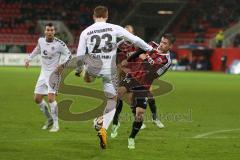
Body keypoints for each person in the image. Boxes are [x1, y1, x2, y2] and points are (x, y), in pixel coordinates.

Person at [75, 6, 153, 149]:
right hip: (109, 70)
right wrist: (149, 49)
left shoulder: (86, 32)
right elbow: (134, 39)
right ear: (107, 15)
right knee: (112, 100)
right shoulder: (114, 28)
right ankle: (103, 126)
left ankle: (87, 71)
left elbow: (80, 53)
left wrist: (79, 68)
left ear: (94, 15)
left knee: (87, 77)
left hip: (94, 67)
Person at [117, 33, 175, 149]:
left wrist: (146, 60)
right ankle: (105, 120)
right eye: (162, 41)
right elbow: (139, 52)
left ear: (171, 46)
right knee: (117, 94)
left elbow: (154, 75)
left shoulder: (166, 60)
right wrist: (128, 60)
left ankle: (132, 137)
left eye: (165, 43)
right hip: (132, 76)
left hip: (144, 83)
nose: (161, 45)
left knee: (140, 114)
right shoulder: (151, 45)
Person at [111, 25, 164, 139]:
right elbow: (119, 62)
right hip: (126, 73)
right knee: (130, 99)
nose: (127, 34)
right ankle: (136, 120)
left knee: (150, 96)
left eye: (129, 32)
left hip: (140, 72)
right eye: (125, 32)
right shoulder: (119, 46)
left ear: (132, 33)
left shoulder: (137, 43)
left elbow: (145, 54)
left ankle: (155, 118)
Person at [25, 23, 72, 132]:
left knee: (51, 99)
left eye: (52, 30)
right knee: (37, 99)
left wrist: (62, 65)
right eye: (48, 30)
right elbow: (37, 49)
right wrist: (28, 59)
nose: (50, 32)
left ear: (54, 32)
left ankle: (56, 125)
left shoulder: (59, 44)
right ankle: (49, 119)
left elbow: (69, 55)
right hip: (43, 74)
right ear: (45, 31)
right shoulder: (41, 41)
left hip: (54, 74)